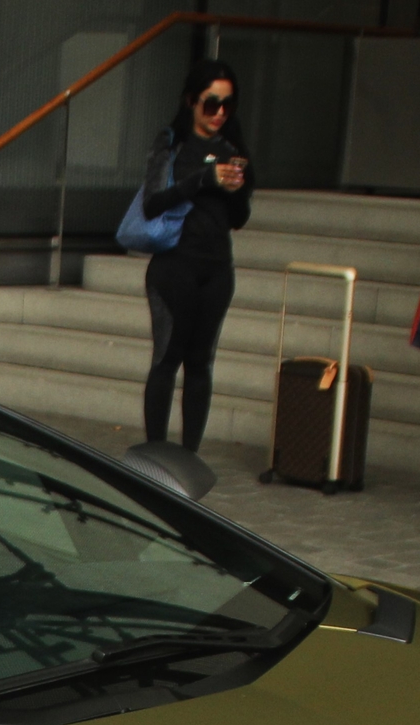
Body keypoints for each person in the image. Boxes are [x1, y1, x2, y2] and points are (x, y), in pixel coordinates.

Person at [139, 61, 253, 450]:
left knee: (201, 363)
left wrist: (236, 189)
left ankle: (190, 455)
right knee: (167, 357)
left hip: (217, 267)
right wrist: (205, 179)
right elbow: (153, 203)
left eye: (227, 105)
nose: (220, 113)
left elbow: (239, 218)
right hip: (175, 266)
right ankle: (155, 452)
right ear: (191, 101)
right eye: (211, 104)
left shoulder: (232, 149)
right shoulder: (172, 144)